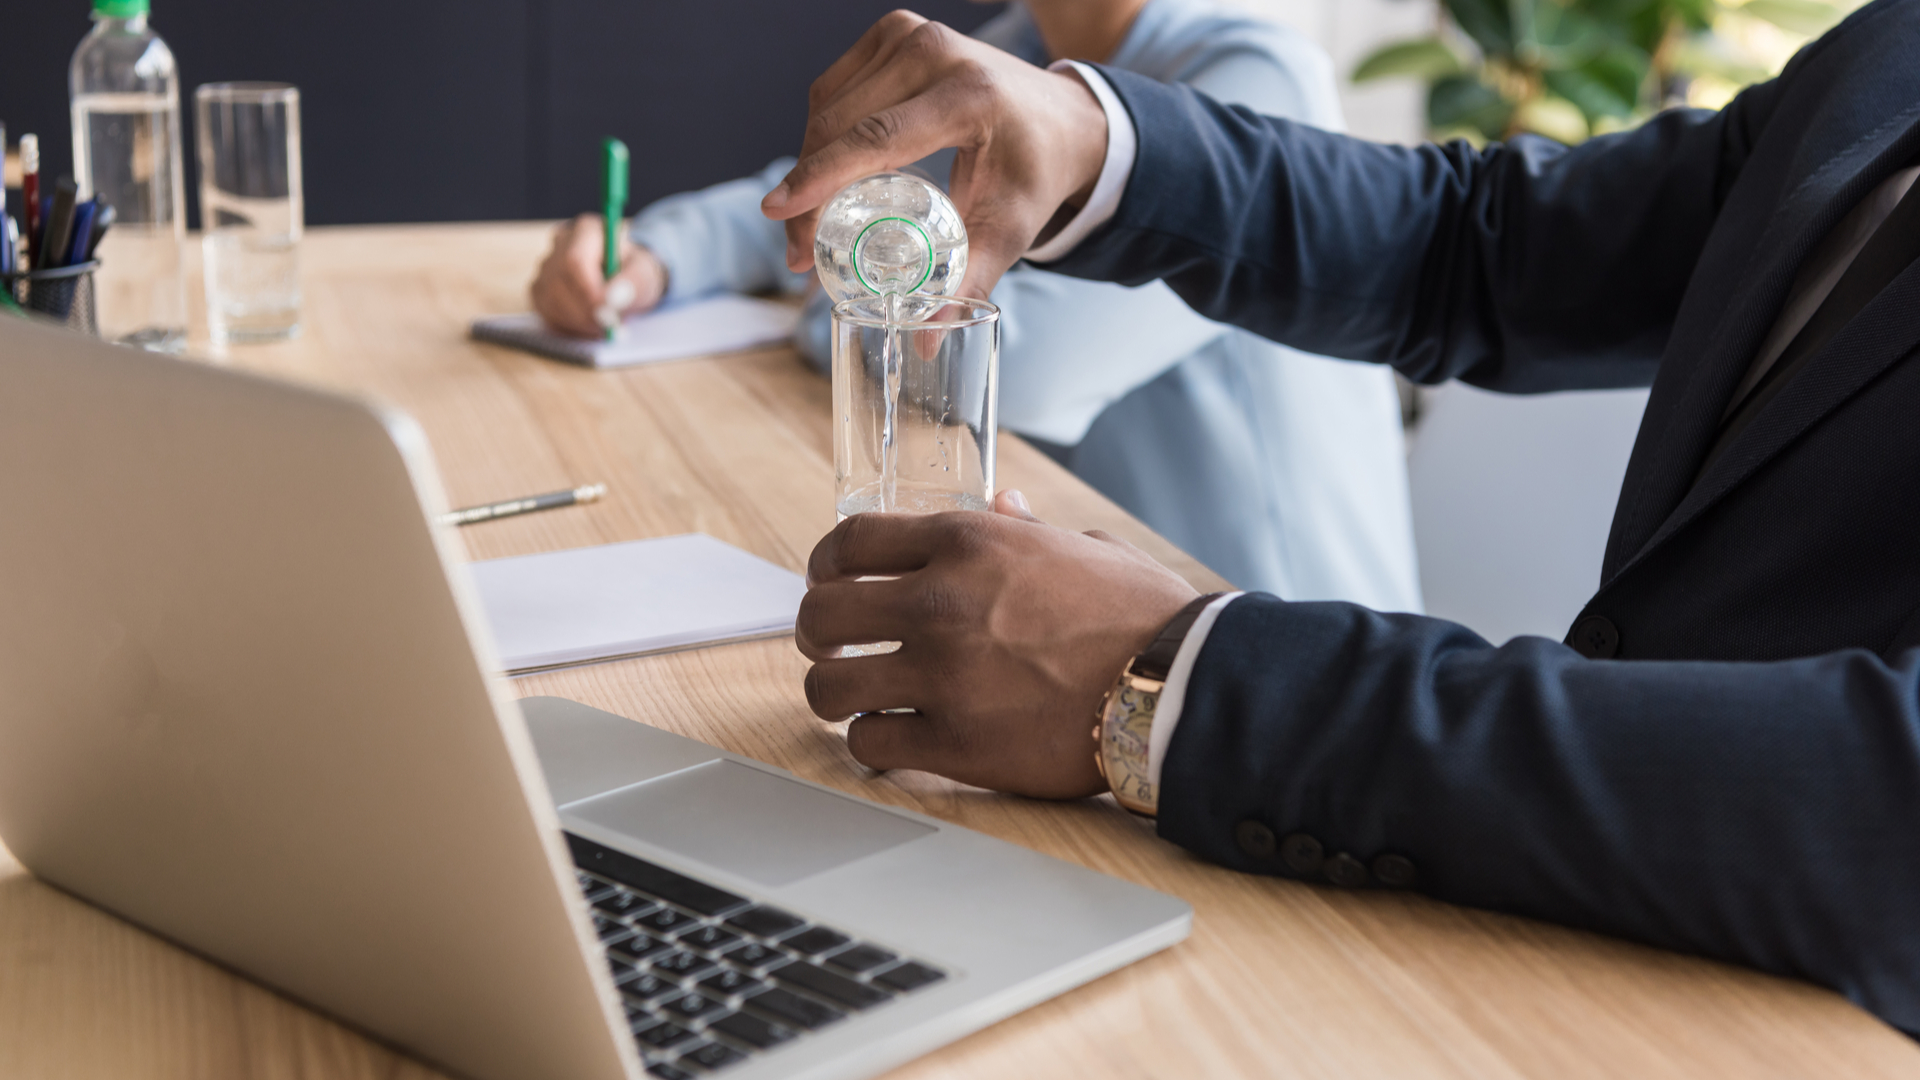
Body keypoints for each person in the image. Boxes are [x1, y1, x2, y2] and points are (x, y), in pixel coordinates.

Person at [761, 0, 1920, 1038]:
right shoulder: (1893, 53)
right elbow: (1487, 248)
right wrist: (1104, 144)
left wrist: (1184, 677)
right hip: (1557, 956)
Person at [527, 0, 1422, 610]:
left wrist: (839, 299)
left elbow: (1006, 371)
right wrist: (654, 255)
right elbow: (828, 190)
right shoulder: (1017, 48)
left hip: (1256, 638)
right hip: (1086, 592)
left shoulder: (1251, 80)